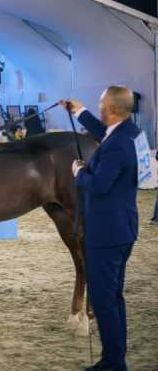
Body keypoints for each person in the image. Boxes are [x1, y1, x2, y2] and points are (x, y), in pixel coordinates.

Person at [60, 86, 140, 371]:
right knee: (113, 297)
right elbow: (104, 132)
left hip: (107, 232)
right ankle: (115, 359)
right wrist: (79, 111)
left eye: (101, 104)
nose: (100, 107)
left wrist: (79, 172)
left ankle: (113, 363)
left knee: (104, 300)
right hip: (123, 226)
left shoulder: (118, 144)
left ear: (112, 109)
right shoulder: (129, 132)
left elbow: (99, 185)